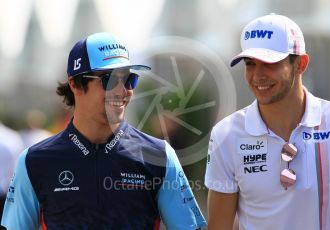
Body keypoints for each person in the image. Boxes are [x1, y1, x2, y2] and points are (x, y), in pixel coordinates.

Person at [1, 32, 206, 229]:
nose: (122, 90)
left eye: (128, 79)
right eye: (109, 79)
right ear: (75, 84)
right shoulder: (33, 161)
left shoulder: (160, 155)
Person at [205, 13, 330, 230]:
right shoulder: (226, 134)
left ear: (300, 64)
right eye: (250, 64)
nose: (257, 75)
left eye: (270, 63)